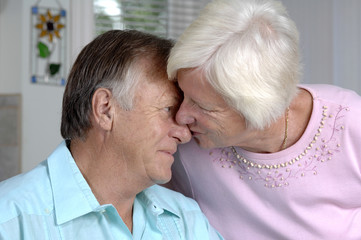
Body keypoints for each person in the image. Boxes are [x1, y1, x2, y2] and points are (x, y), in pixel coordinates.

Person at [0, 30, 223, 240]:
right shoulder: (10, 221)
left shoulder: (187, 221)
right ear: (105, 109)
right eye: (168, 110)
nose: (184, 134)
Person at [167, 0, 361, 239]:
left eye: (202, 106)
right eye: (181, 93)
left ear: (257, 107)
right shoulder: (178, 141)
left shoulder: (351, 123)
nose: (181, 115)